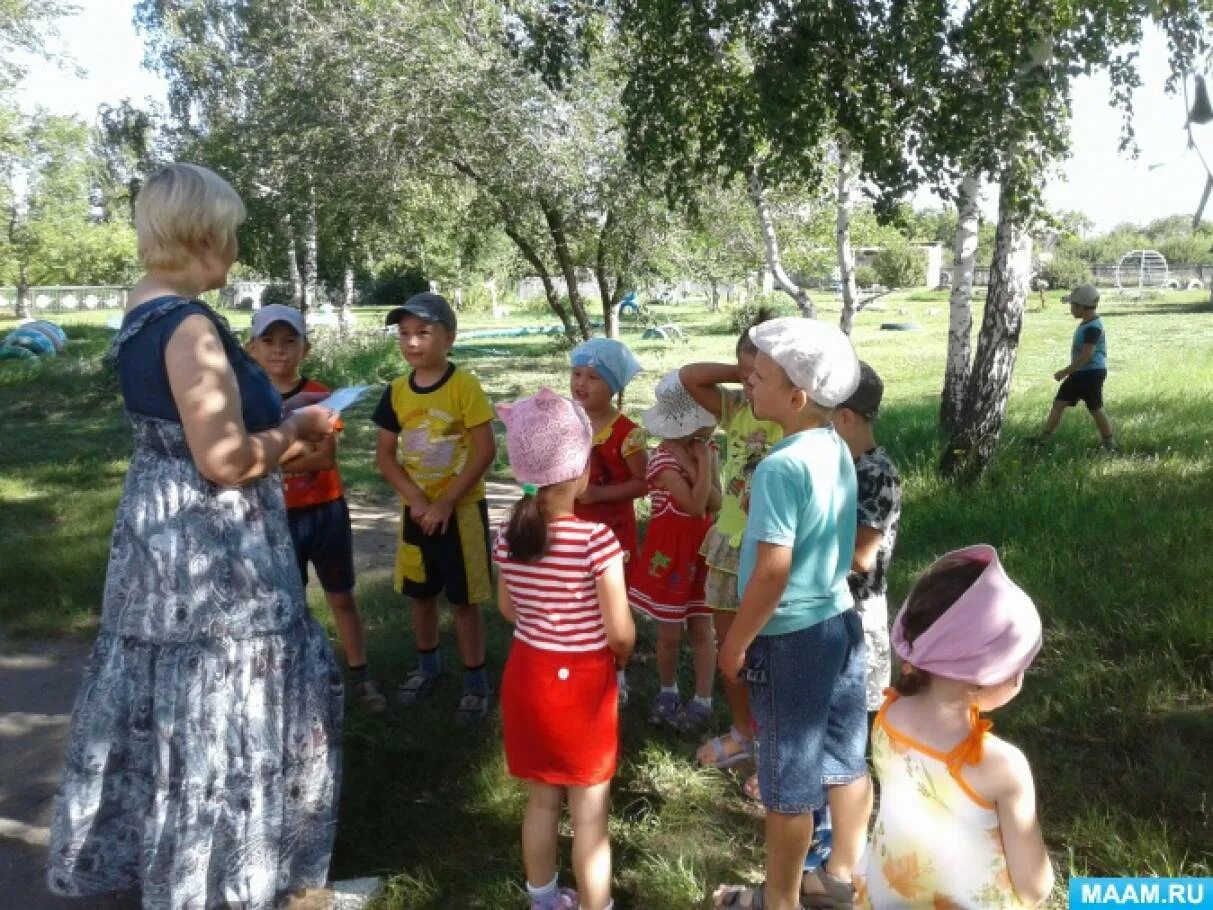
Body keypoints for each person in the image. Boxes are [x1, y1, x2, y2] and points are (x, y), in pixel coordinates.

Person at [48, 163, 343, 910]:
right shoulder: (188, 326)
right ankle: (226, 883)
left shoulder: (141, 309)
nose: (236, 249)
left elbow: (187, 436)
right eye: (233, 232)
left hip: (157, 545)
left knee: (177, 711)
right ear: (205, 234)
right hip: (213, 560)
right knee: (222, 709)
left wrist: (272, 436)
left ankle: (183, 872)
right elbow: (223, 459)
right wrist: (296, 430)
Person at [714, 317, 870, 910]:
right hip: (840, 625)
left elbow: (772, 573)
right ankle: (838, 876)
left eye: (759, 376)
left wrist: (736, 644)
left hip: (789, 641)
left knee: (788, 787)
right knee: (846, 759)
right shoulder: (832, 444)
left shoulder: (781, 465)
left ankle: (780, 902)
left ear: (797, 396)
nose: (747, 382)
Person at [494, 388, 635, 910]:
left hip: (528, 674)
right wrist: (619, 656)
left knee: (541, 800)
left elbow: (508, 608)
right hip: (581, 685)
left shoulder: (509, 534)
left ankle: (544, 898)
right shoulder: (597, 541)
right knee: (590, 812)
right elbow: (620, 632)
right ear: (580, 473)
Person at [859, 545, 1053, 909]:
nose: (1020, 676)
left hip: (887, 898)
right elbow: (1033, 887)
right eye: (1017, 666)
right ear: (981, 675)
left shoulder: (890, 712)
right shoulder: (1000, 766)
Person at [247, 304, 387, 712]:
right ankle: (285, 681)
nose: (279, 351)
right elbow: (250, 459)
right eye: (269, 342)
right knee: (281, 602)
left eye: (289, 342)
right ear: (250, 347)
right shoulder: (247, 402)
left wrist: (268, 457)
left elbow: (323, 458)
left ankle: (360, 676)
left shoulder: (321, 394)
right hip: (273, 517)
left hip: (324, 511)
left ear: (305, 348)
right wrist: (293, 447)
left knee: (341, 597)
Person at [800, 361, 903, 905]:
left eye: (820, 415)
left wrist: (794, 558)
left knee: (845, 745)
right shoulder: (845, 462)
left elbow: (860, 558)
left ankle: (840, 859)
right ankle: (823, 842)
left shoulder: (874, 473)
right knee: (824, 737)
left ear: (843, 417)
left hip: (854, 622)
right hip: (829, 616)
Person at [372, 292, 497, 719]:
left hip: (459, 514)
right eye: (404, 334)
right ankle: (428, 667)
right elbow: (385, 457)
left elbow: (484, 450)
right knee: (420, 596)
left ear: (450, 337)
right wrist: (418, 502)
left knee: (464, 601)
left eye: (423, 332)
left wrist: (444, 504)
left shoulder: (465, 387)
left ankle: (476, 681)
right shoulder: (395, 393)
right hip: (417, 514)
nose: (411, 342)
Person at [680, 310, 782, 770]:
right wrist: (741, 371)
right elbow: (689, 378)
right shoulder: (736, 409)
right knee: (731, 651)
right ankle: (744, 733)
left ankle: (779, 741)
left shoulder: (793, 420)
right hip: (728, 543)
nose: (750, 388)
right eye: (747, 377)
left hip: (772, 549)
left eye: (760, 379)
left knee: (775, 651)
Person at [626, 370, 721, 732]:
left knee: (701, 628)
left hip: (699, 555)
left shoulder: (704, 453)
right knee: (669, 633)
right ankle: (667, 690)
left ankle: (703, 698)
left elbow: (717, 501)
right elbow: (697, 506)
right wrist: (702, 468)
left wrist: (705, 466)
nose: (710, 433)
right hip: (671, 556)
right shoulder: (662, 461)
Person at [570, 338, 646, 578]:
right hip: (572, 526)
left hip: (613, 530)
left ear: (614, 387)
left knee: (610, 592)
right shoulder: (566, 422)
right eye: (577, 373)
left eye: (593, 377)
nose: (581, 383)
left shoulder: (627, 434)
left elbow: (644, 482)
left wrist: (600, 494)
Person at [1031, 283, 1117, 452]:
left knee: (1095, 408)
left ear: (1083, 307)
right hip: (1080, 374)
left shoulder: (1093, 327)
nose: (1071, 309)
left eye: (1073, 305)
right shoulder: (1087, 323)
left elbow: (1085, 357)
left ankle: (1109, 443)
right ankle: (1043, 439)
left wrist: (1064, 372)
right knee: (1059, 403)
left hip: (1090, 374)